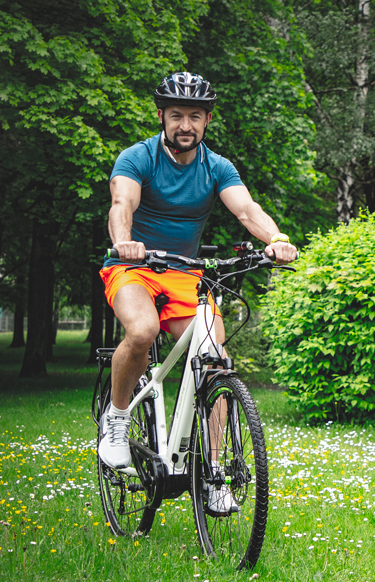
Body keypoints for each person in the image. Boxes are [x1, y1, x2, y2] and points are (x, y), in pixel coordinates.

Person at [97, 71, 297, 513]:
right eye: (175, 116)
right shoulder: (138, 157)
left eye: (193, 116)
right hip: (133, 266)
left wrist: (275, 238)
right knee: (143, 330)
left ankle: (213, 471)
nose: (184, 125)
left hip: (186, 274)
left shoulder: (217, 166)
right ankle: (116, 418)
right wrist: (125, 239)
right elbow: (121, 204)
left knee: (214, 359)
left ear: (206, 120)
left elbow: (246, 209)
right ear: (161, 117)